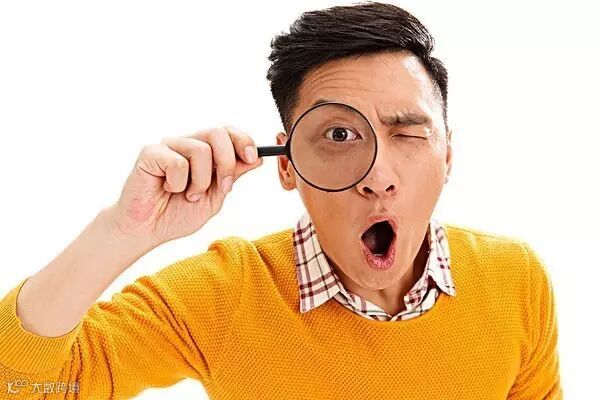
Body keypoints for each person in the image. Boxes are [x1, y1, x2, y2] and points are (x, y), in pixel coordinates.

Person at [0, 2, 562, 399]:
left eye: (408, 133)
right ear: (288, 165)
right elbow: (22, 386)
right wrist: (122, 232)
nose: (378, 178)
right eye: (339, 135)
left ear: (448, 157)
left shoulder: (516, 280)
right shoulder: (224, 293)